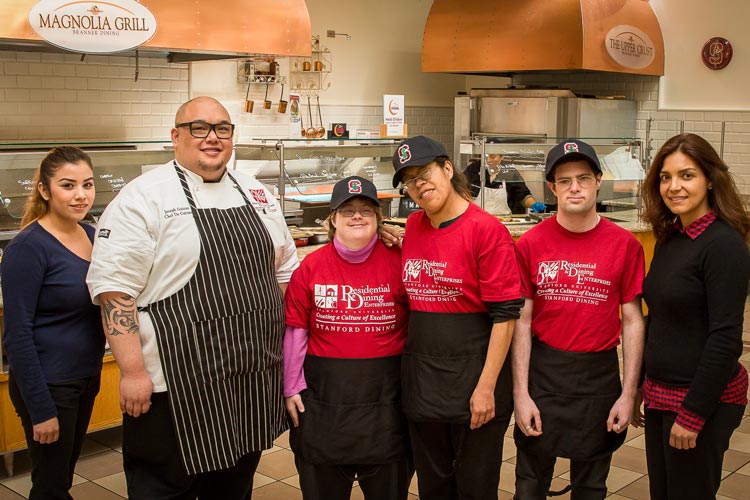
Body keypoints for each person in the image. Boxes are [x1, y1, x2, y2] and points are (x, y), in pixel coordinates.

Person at [86, 96, 299, 499]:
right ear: (176, 136)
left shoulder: (257, 193)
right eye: (198, 128)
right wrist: (132, 372)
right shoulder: (143, 197)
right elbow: (115, 292)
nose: (212, 138)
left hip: (250, 378)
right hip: (173, 383)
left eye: (222, 128)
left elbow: (285, 272)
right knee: (164, 488)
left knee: (234, 487)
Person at [511, 139, 645, 500]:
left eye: (583, 178)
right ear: (552, 187)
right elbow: (521, 322)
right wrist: (520, 393)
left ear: (598, 181)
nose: (575, 187)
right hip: (544, 374)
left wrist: (628, 394)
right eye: (565, 180)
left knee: (591, 487)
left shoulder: (625, 245)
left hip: (598, 378)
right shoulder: (529, 244)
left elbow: (632, 321)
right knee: (529, 484)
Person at [390, 135, 522, 499]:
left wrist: (486, 388)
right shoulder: (414, 227)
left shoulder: (487, 231)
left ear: (448, 169)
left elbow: (505, 316)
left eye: (425, 173)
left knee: (475, 489)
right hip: (423, 384)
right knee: (434, 488)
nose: (419, 185)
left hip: (473, 383)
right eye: (410, 180)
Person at [283, 176, 412, 500]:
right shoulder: (310, 268)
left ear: (379, 220)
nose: (357, 216)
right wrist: (291, 386)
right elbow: (297, 330)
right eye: (348, 210)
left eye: (367, 210)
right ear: (333, 219)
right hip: (325, 402)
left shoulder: (401, 262)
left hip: (387, 403)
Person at [638, 133, 749, 499]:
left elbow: (726, 337)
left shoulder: (723, 245)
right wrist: (642, 382)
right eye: (666, 177)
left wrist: (693, 413)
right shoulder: (671, 237)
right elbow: (658, 317)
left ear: (710, 180)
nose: (674, 187)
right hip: (660, 394)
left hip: (699, 401)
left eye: (687, 175)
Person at [1, 146, 104, 500]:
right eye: (68, 185)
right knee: (50, 485)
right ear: (44, 190)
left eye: (87, 185)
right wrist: (41, 410)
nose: (81, 195)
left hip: (84, 378)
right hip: (49, 384)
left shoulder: (91, 235)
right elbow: (16, 337)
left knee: (61, 478)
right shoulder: (28, 247)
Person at [465, 153, 545, 215]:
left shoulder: (510, 172)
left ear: (502, 157)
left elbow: (523, 195)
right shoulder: (473, 169)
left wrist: (533, 204)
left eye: (493, 157)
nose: (488, 160)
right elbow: (460, 188)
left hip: (503, 221)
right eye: (485, 156)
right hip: (477, 219)